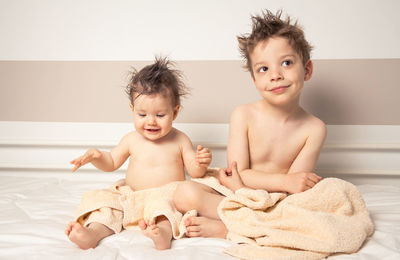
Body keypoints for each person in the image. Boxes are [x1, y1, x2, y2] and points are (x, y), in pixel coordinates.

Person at [173, 9, 326, 238]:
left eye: (286, 63)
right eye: (264, 69)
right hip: (234, 191)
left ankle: (228, 228)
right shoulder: (243, 115)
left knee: (303, 212)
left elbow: (296, 185)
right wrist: (244, 188)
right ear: (255, 80)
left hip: (276, 200)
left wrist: (283, 184)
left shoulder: (314, 128)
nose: (275, 75)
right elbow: (237, 173)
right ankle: (250, 223)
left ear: (307, 70)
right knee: (183, 193)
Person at [64, 57, 212, 250]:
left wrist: (201, 163)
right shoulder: (131, 139)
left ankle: (163, 235)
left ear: (174, 113)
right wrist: (97, 157)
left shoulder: (180, 140)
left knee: (168, 211)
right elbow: (111, 162)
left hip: (164, 196)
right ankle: (93, 233)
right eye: (142, 115)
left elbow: (195, 173)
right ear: (132, 110)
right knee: (105, 205)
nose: (151, 122)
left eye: (160, 115)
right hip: (131, 196)